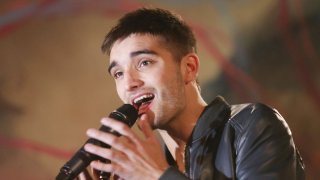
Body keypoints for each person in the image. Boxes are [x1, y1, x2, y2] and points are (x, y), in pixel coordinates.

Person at [80, 8, 305, 180]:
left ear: (188, 68)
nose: (129, 83)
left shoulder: (252, 125)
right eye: (118, 73)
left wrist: (159, 175)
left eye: (144, 62)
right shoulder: (151, 166)